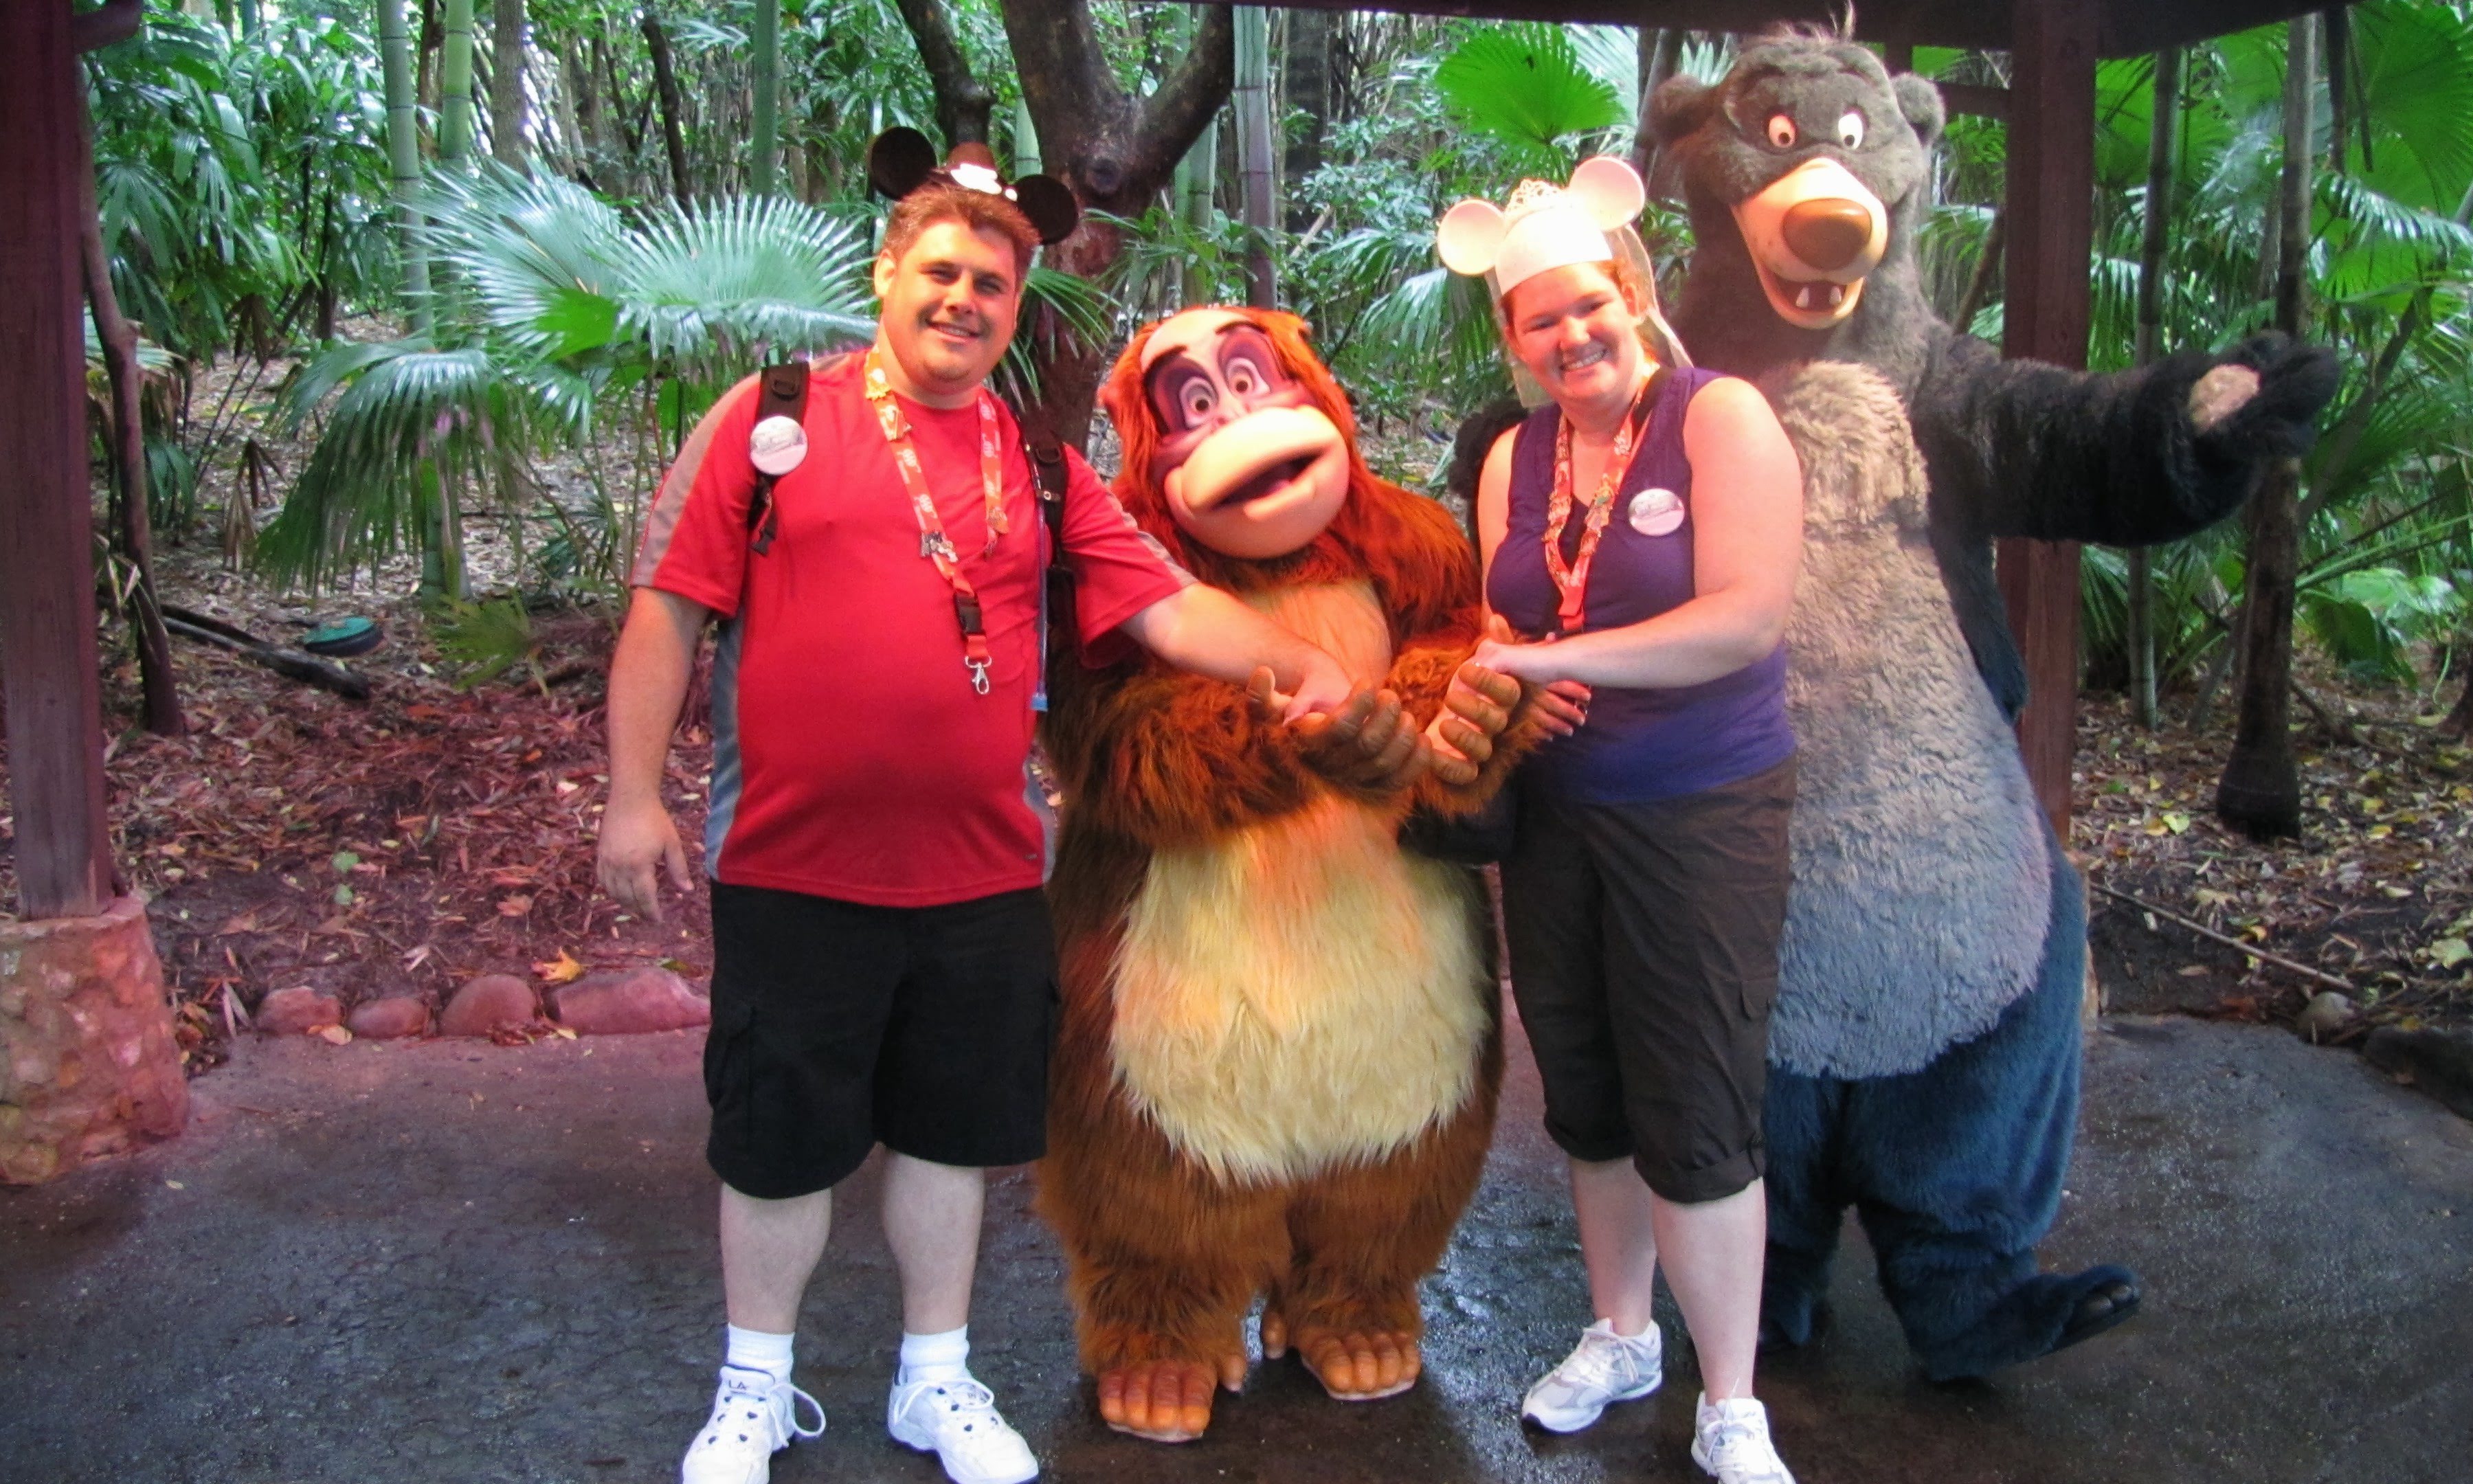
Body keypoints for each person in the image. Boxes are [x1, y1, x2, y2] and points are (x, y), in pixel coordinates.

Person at [600, 163, 1369, 1484]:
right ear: (886, 278)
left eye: (991, 286)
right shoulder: (772, 418)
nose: (964, 301)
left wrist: (1302, 664)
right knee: (778, 1147)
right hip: (791, 866)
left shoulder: (1038, 466)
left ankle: (937, 1378)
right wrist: (630, 798)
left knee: (951, 1140)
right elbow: (668, 610)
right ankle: (754, 1387)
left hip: (982, 875)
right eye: (942, 274)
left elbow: (1167, 607)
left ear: (1015, 308)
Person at [1437, 160, 1806, 1484]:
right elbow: (1504, 619)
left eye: (1590, 305)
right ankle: (1621, 1331)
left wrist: (1548, 661)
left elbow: (1745, 619)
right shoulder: (1515, 454)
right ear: (1513, 336)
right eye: (1541, 319)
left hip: (1698, 811)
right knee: (1587, 1087)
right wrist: (1500, 684)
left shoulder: (1720, 418)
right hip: (1557, 815)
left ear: (1634, 295)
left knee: (1694, 1095)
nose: (1572, 335)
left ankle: (1733, 1398)